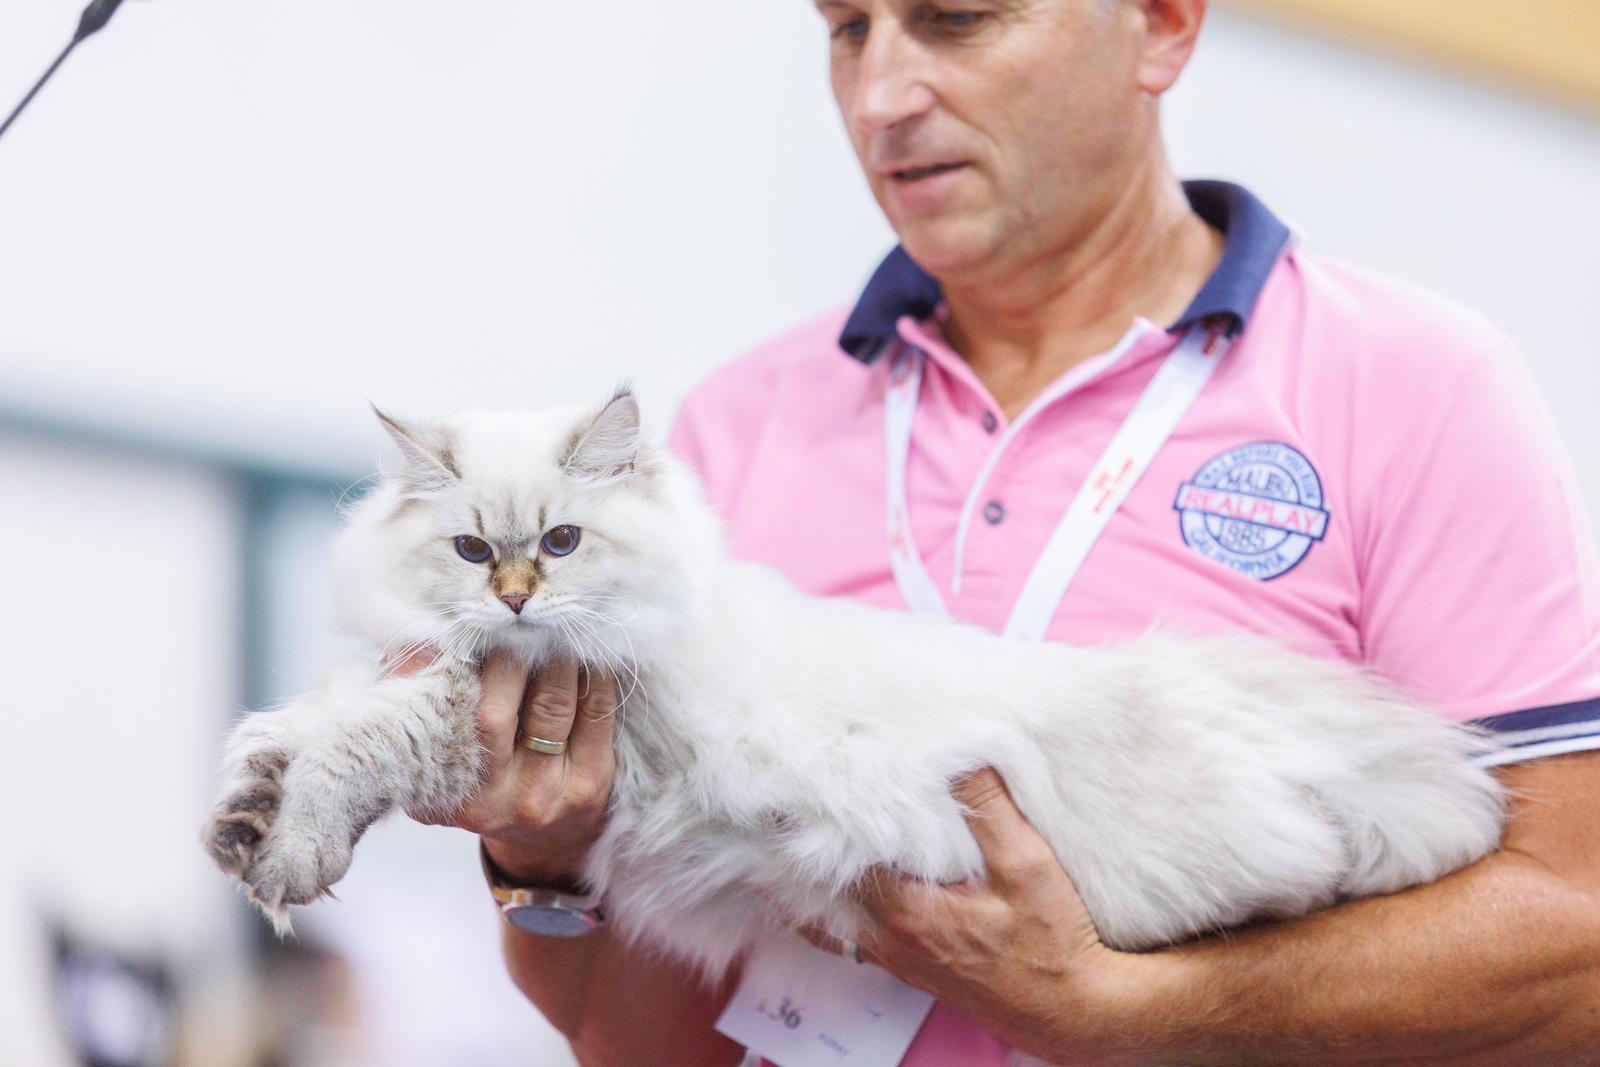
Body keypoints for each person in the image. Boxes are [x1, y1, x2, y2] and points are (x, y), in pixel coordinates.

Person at [438, 0, 1600, 1062]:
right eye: (846, 28)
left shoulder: (1409, 384)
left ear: (1159, 26)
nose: (880, 95)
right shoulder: (736, 432)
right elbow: (645, 1041)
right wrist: (541, 862)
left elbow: (1574, 945)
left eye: (955, 18)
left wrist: (1131, 1008)